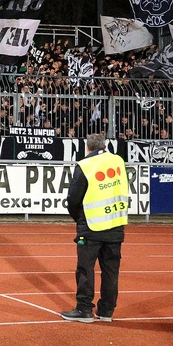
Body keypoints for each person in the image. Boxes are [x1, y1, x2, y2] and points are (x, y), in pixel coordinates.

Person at [61, 132, 128, 323]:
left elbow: (73, 199)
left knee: (85, 269)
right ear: (105, 146)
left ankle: (84, 310)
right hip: (115, 224)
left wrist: (79, 219)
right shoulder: (118, 161)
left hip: (91, 226)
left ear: (87, 148)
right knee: (111, 271)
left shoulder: (85, 165)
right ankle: (106, 311)